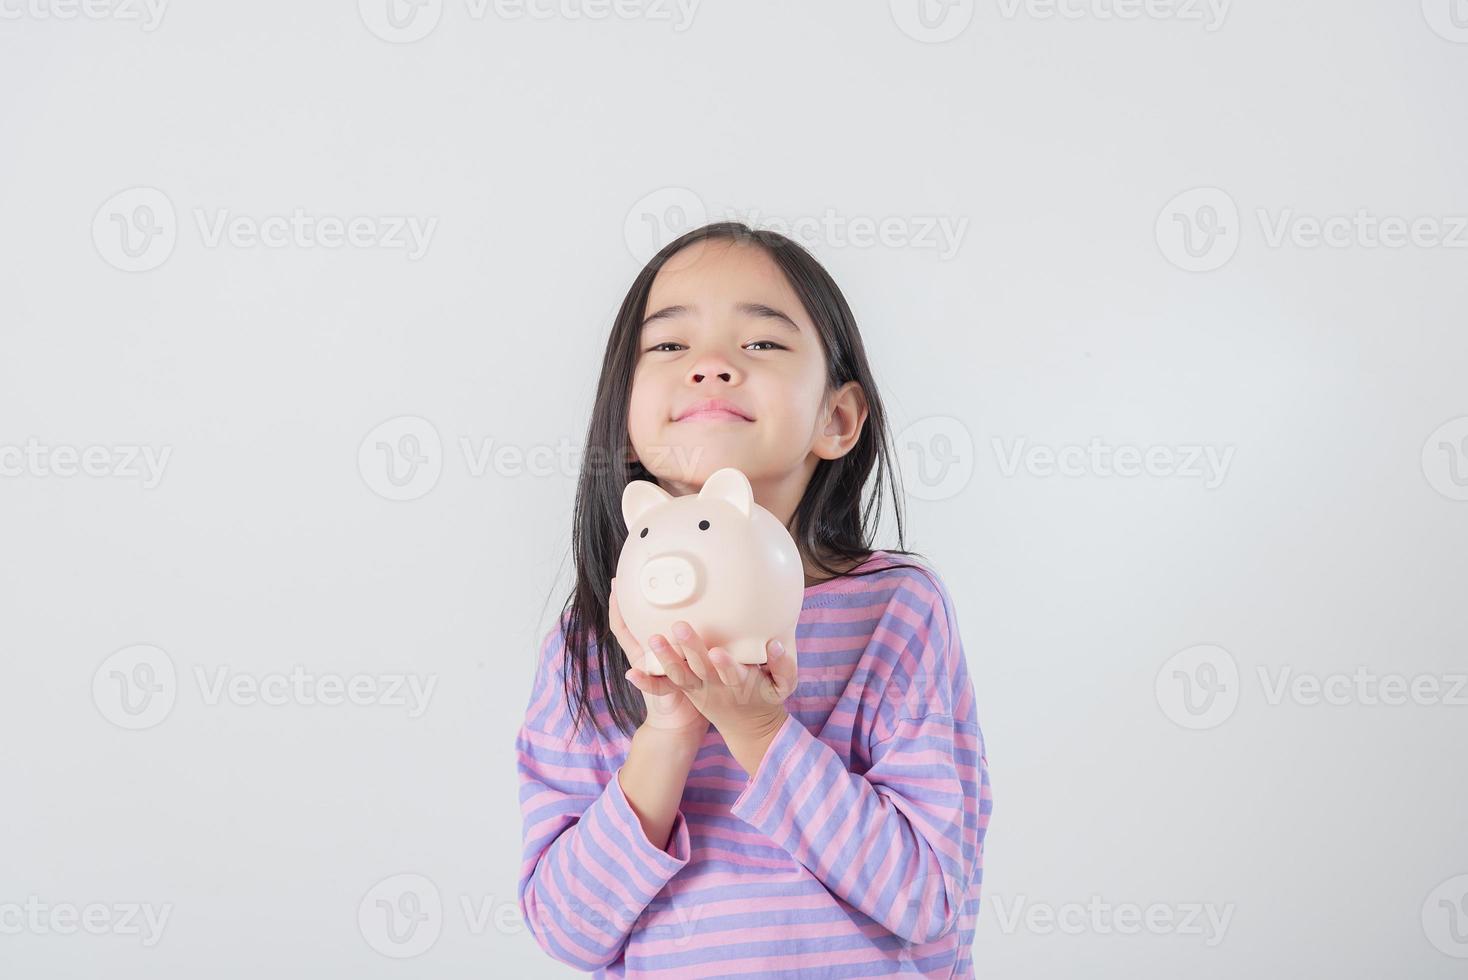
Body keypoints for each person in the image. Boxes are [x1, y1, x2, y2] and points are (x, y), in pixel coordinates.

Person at [515, 221, 993, 977]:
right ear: (629, 427)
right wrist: (669, 730)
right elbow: (571, 931)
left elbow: (929, 897)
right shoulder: (592, 641)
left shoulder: (895, 611)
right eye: (669, 347)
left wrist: (759, 728)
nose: (710, 366)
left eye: (761, 344)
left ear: (837, 419)